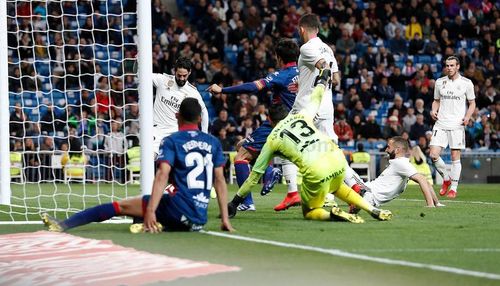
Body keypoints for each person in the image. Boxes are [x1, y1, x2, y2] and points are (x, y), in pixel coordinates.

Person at [42, 98, 234, 233]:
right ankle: (149, 223)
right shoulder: (213, 142)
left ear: (177, 116)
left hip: (178, 210)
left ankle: (64, 224)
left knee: (121, 206)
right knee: (154, 199)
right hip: (199, 219)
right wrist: (224, 218)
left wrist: (150, 210)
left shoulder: (173, 140)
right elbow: (220, 180)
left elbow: (161, 175)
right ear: (200, 118)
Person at [227, 69, 392, 223]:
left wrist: (235, 202)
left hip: (316, 171)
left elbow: (253, 177)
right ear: (287, 114)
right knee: (336, 186)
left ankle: (331, 214)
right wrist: (323, 79)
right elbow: (316, 97)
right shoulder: (302, 116)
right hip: (337, 160)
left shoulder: (272, 139)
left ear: (270, 120)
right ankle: (372, 209)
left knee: (310, 211)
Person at [208, 38, 301, 212]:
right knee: (242, 145)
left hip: (277, 124)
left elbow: (253, 87)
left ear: (278, 57)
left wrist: (223, 90)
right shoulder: (304, 73)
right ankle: (268, 172)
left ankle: (248, 200)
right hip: (298, 124)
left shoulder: (281, 76)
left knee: (241, 156)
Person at [349, 136, 443, 214]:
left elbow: (422, 180)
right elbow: (425, 181)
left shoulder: (400, 164)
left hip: (367, 191)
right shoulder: (402, 164)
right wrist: (437, 203)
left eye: (388, 147)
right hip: (369, 195)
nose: (386, 149)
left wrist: (430, 204)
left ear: (397, 150)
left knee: (344, 169)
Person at [429, 56, 476, 198]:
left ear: (458, 66)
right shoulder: (439, 82)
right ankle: (446, 178)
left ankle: (453, 188)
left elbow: (472, 103)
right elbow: (436, 101)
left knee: (455, 156)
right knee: (433, 155)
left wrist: (467, 116)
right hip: (441, 123)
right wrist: (433, 110)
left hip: (457, 124)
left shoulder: (467, 83)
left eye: (451, 65)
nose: (449, 68)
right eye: (447, 65)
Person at [151, 56, 209, 158]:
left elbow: (204, 112)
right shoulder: (162, 80)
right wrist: (138, 62)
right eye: (179, 75)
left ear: (189, 73)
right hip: (157, 129)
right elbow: (143, 75)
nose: (182, 78)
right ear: (174, 71)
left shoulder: (192, 92)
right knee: (149, 159)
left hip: (175, 132)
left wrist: (204, 134)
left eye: (184, 76)